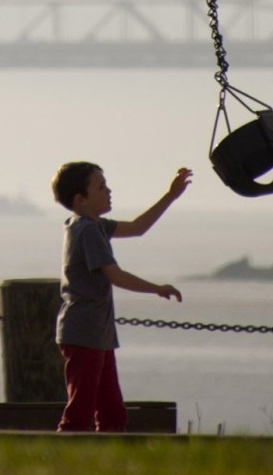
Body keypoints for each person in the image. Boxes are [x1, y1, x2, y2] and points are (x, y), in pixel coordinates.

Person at [50, 161, 190, 433]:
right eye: (101, 187)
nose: (109, 191)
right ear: (81, 200)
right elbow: (117, 276)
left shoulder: (94, 225)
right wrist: (157, 288)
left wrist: (171, 195)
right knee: (80, 414)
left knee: (112, 414)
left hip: (98, 335)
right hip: (84, 334)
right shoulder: (87, 230)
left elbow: (139, 227)